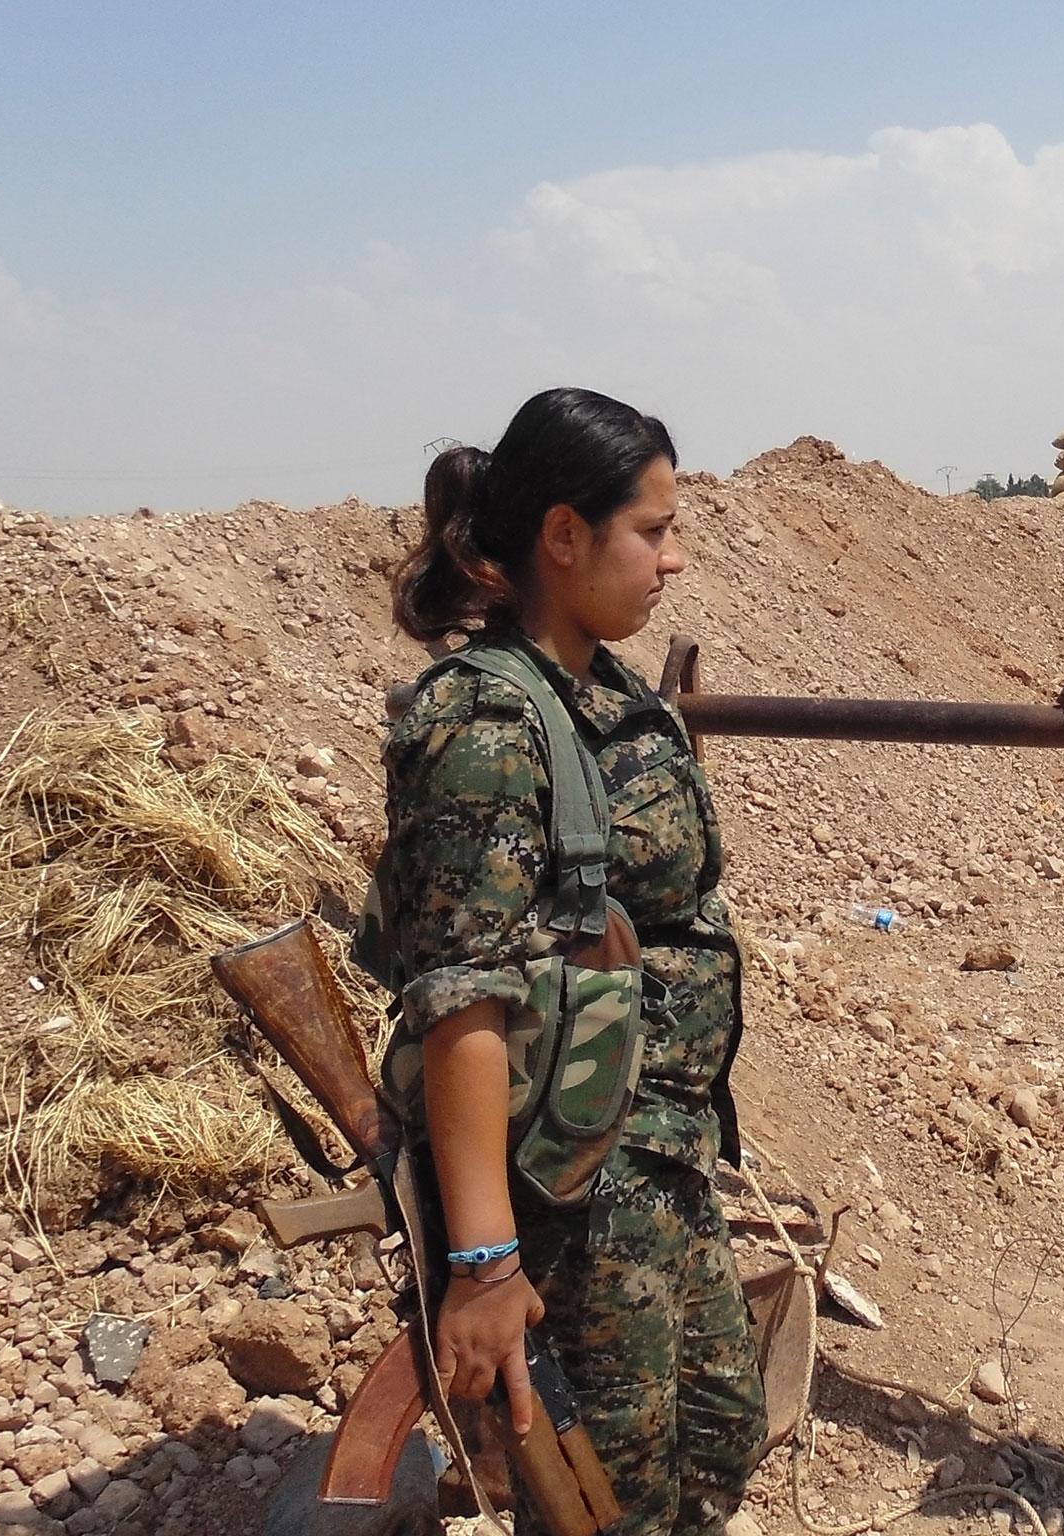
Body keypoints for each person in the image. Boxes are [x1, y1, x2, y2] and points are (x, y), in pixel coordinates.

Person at [374, 387, 766, 1534]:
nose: (675, 558)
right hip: (568, 1211)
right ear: (562, 535)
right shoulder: (483, 728)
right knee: (608, 1501)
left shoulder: (601, 690)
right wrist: (487, 1266)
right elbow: (462, 1002)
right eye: (652, 530)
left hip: (657, 1167)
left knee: (714, 1442)